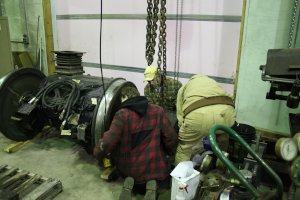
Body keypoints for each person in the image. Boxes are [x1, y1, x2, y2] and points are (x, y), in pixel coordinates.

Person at [93, 86, 178, 200]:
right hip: (156, 165)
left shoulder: (122, 115)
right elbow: (171, 137)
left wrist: (98, 153)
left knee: (128, 168)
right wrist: (169, 153)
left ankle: (130, 181)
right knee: (153, 166)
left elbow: (107, 142)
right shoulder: (157, 110)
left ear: (124, 97)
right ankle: (151, 183)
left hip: (130, 166)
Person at [175, 74, 236, 164]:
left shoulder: (185, 87)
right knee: (222, 139)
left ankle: (180, 176)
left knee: (184, 149)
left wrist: (184, 132)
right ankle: (220, 165)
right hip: (226, 112)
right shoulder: (213, 83)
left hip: (197, 115)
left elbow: (180, 115)